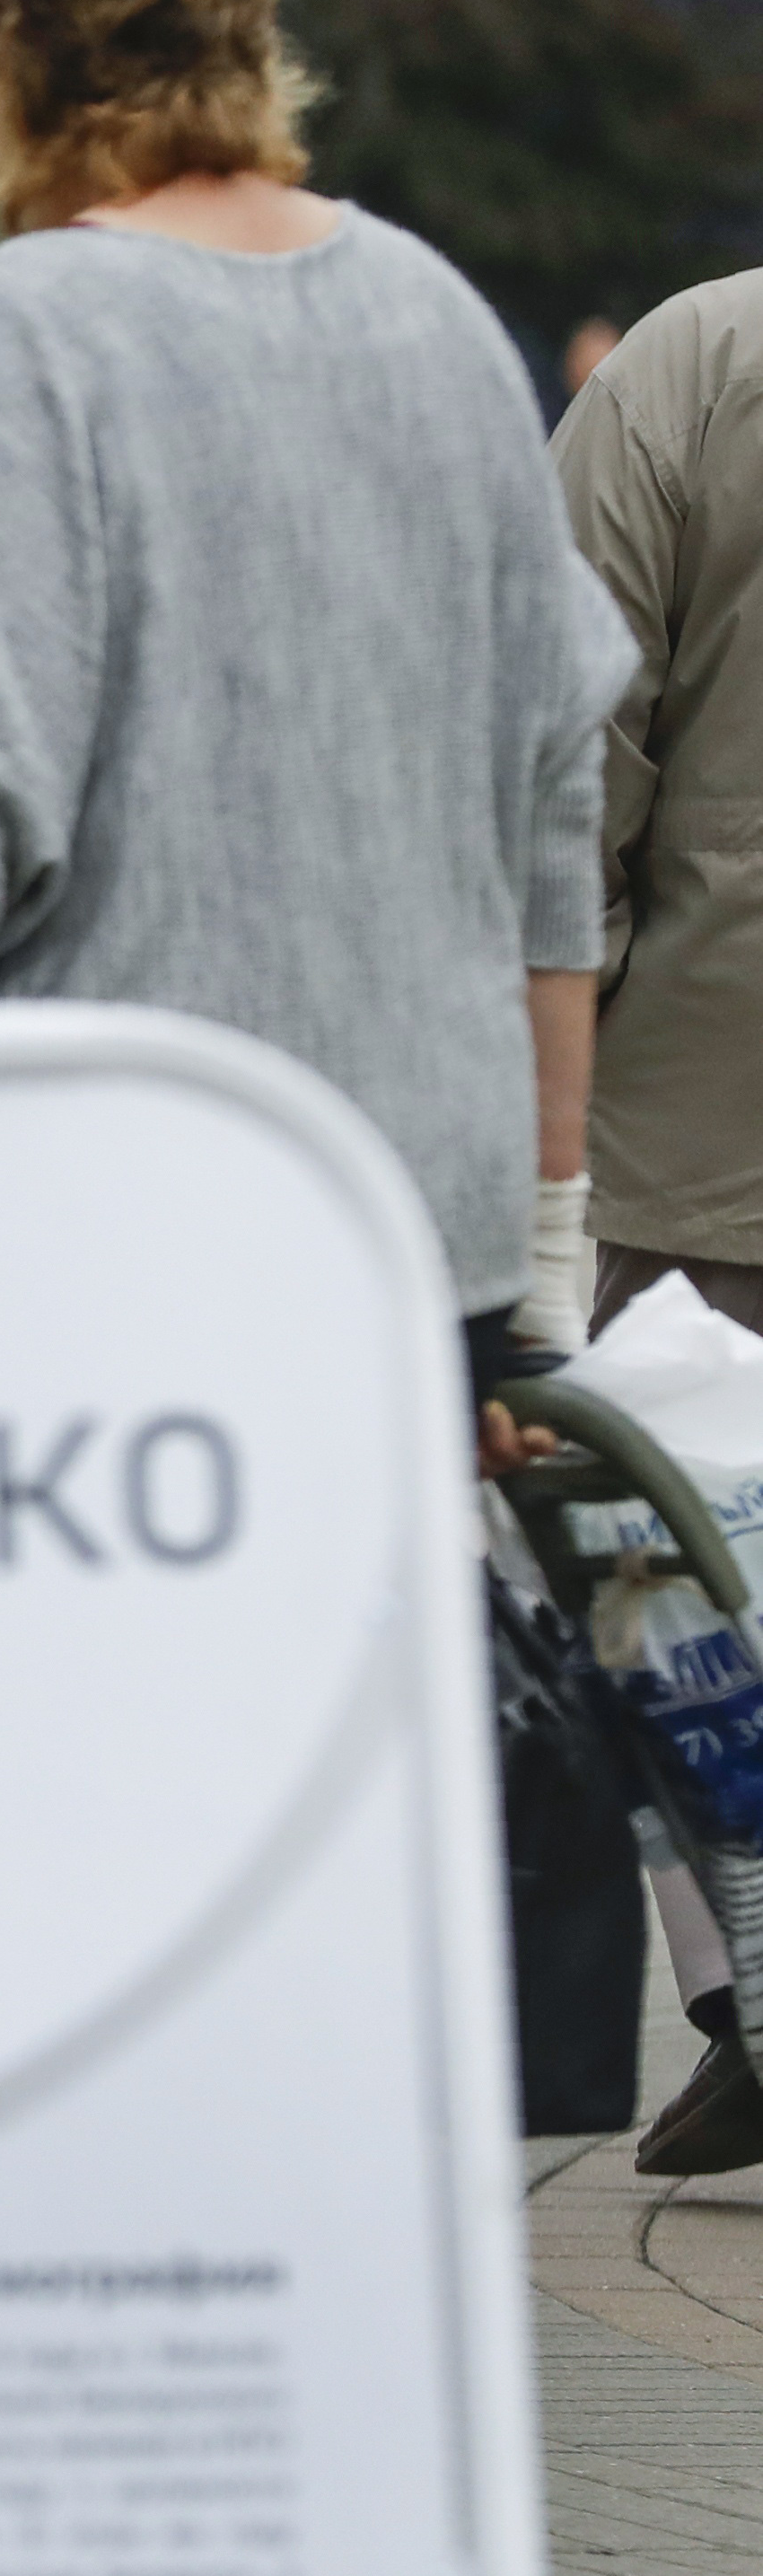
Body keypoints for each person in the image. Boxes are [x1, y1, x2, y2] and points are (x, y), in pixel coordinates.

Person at [0, 0, 622, 1451]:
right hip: (419, 1251)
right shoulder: (440, 322)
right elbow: (554, 806)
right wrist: (541, 1253)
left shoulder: (24, 340)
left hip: (113, 1264)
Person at [544, 223, 763, 2176]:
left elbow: (561, 747)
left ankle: (745, 1999)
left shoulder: (693, 369)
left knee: (667, 1586)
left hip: (716, 1129)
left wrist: (582, 1006)